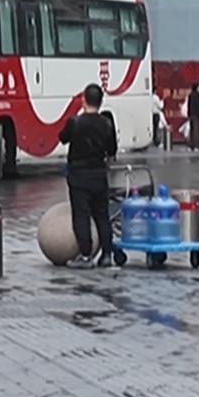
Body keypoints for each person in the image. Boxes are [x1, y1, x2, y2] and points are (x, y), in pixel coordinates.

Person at [58, 83, 118, 268]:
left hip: (79, 176)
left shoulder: (75, 122)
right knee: (102, 214)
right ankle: (107, 254)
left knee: (81, 215)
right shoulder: (107, 123)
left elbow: (63, 137)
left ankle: (85, 255)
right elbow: (112, 149)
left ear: (84, 100)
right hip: (99, 175)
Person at [184, 85, 199, 149]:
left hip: (191, 115)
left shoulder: (190, 95)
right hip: (196, 115)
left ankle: (192, 145)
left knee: (192, 130)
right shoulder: (198, 96)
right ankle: (196, 145)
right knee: (196, 130)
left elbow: (189, 106)